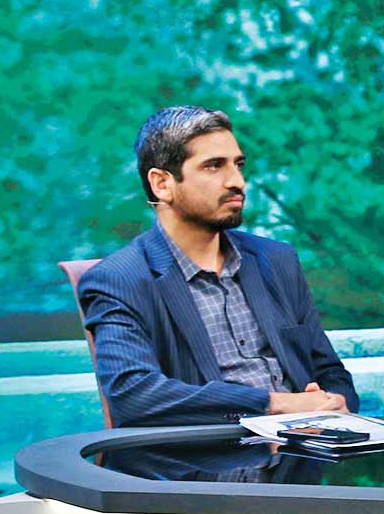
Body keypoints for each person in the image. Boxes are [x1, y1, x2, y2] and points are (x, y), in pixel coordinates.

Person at [78, 106, 359, 427]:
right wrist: (275, 405)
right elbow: (134, 395)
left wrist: (335, 403)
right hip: (208, 452)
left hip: (307, 446)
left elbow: (330, 372)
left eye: (238, 165)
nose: (237, 182)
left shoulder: (277, 260)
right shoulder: (118, 279)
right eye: (213, 166)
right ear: (162, 184)